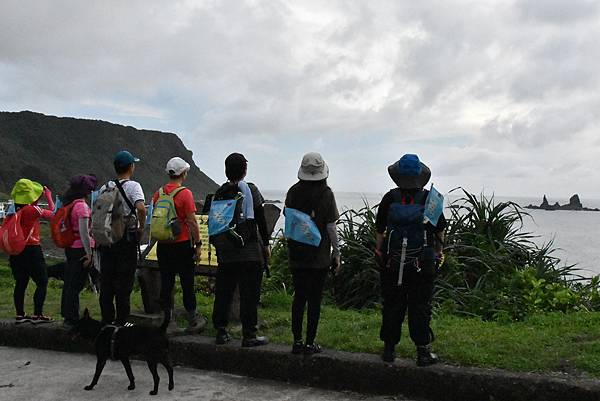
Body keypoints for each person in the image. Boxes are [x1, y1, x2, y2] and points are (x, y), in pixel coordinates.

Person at [374, 154, 446, 366]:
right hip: (422, 262)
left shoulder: (390, 198)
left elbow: (380, 229)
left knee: (392, 304)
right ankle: (423, 352)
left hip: (392, 262)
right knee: (420, 305)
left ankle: (389, 350)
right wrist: (439, 252)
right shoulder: (429, 199)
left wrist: (379, 251)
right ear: (419, 176)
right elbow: (440, 229)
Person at [211, 153, 271, 347]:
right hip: (249, 252)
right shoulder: (251, 190)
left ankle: (221, 331)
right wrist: (266, 244)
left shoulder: (220, 192)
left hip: (226, 252)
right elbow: (260, 219)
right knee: (249, 295)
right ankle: (249, 335)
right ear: (245, 170)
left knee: (223, 293)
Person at [284, 152, 340, 354]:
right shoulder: (327, 194)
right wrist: (337, 252)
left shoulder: (293, 192)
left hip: (297, 254)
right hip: (319, 257)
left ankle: (296, 342)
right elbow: (332, 227)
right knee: (314, 299)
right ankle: (310, 342)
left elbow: (288, 220)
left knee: (299, 297)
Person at [151, 157, 205, 333]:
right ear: (184, 173)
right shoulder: (185, 194)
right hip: (181, 245)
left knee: (167, 282)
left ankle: (167, 319)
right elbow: (192, 222)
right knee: (187, 282)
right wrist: (198, 245)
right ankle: (192, 319)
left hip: (163, 245)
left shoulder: (158, 193)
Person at [97, 151, 146, 325]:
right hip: (126, 240)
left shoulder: (105, 187)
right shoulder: (133, 186)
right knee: (124, 283)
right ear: (131, 167)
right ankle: (122, 322)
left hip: (107, 239)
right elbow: (141, 208)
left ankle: (107, 320)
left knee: (107, 281)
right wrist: (141, 227)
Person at [9, 178, 55, 324]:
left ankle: (20, 314)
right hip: (32, 249)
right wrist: (48, 196)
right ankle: (37, 314)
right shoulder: (32, 210)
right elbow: (53, 212)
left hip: (16, 250)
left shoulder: (13, 209)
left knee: (21, 282)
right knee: (42, 281)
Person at [60, 175, 97, 329]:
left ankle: (67, 314)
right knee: (75, 285)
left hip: (70, 247)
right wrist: (89, 253)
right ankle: (72, 317)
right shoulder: (81, 206)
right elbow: (84, 232)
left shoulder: (69, 203)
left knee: (69, 282)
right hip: (80, 249)